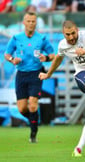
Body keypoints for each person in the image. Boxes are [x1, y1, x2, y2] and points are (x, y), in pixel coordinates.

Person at [38, 20, 85, 157]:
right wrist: (48, 74)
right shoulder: (62, 45)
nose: (71, 37)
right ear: (63, 34)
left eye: (73, 33)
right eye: (68, 35)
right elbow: (58, 59)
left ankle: (78, 148)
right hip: (82, 73)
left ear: (77, 30)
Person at [4, 12, 55, 143]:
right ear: (24, 22)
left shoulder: (42, 38)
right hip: (21, 74)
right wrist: (12, 59)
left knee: (33, 104)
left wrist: (46, 58)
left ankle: (33, 133)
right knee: (22, 109)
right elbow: (7, 54)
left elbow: (53, 54)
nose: (31, 23)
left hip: (36, 74)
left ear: (36, 23)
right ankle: (34, 121)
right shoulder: (16, 38)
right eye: (29, 21)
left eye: (33, 21)